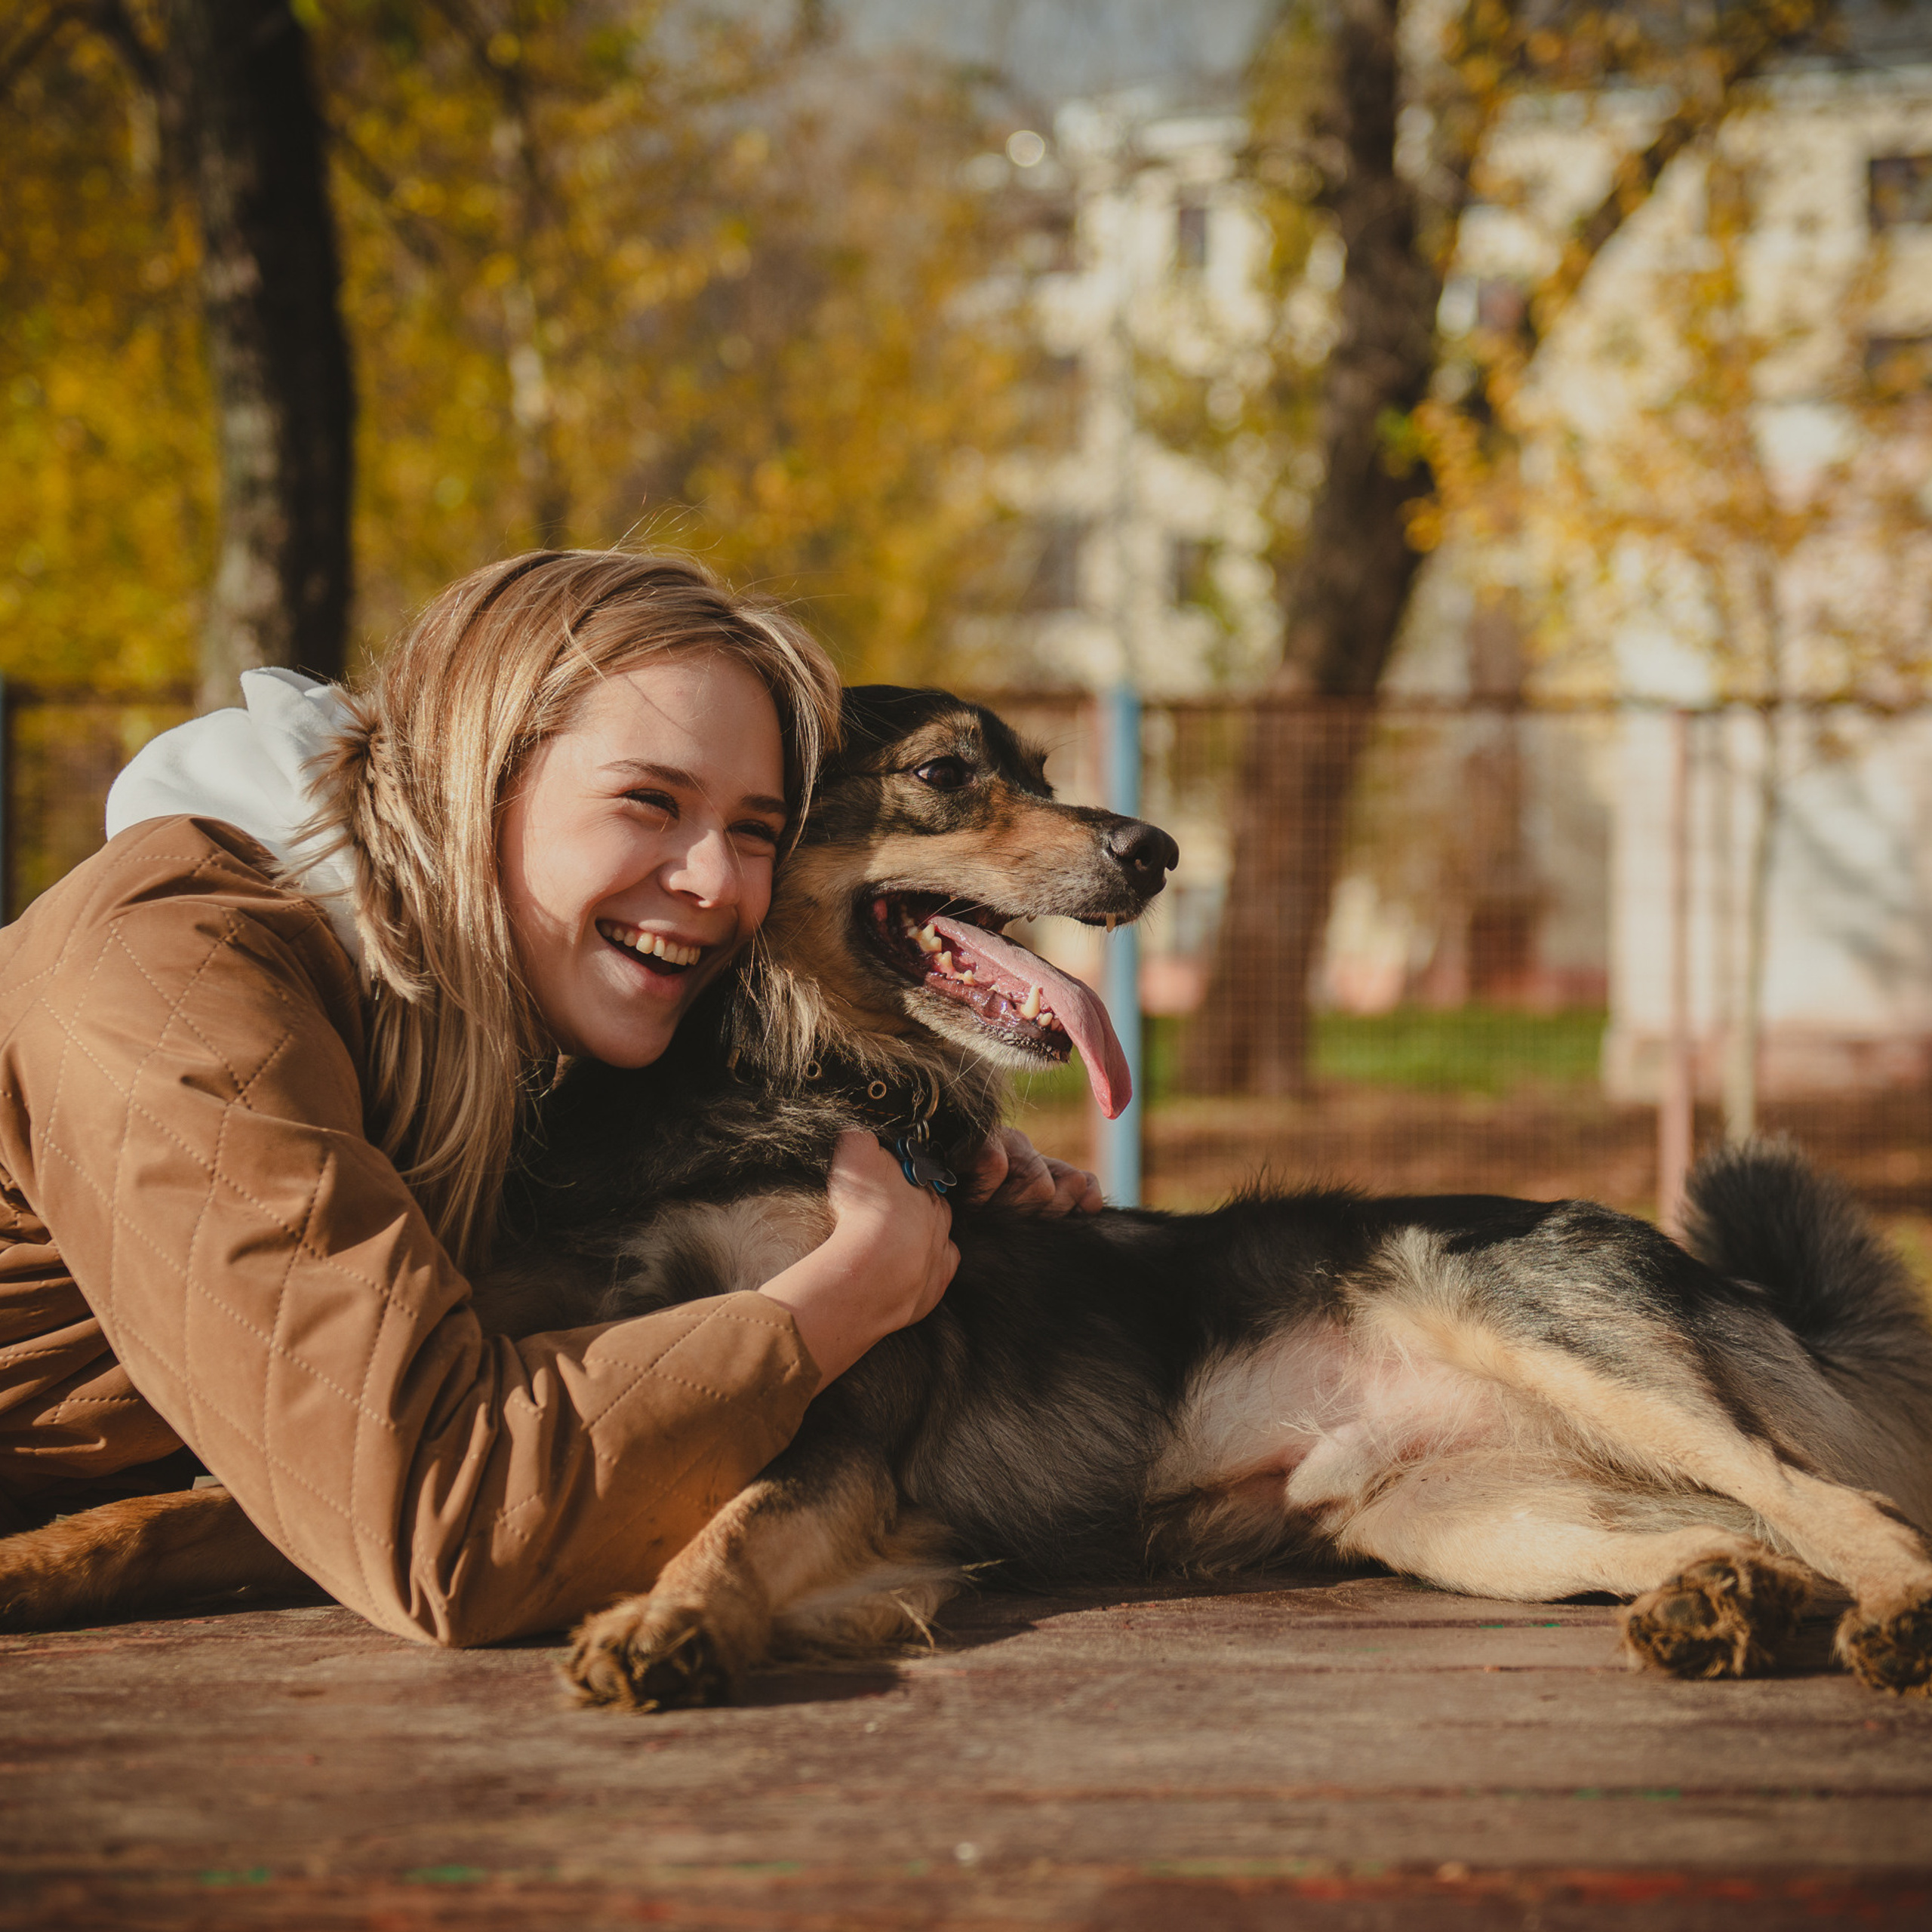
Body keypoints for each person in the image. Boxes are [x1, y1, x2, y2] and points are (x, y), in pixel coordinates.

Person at [0, 551, 1097, 1645]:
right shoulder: (174, 977)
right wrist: (837, 1302)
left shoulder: (489, 1013)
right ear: (475, 778)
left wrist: (922, 1159)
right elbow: (445, 1521)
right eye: (647, 801)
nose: (716, 883)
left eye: (756, 831)